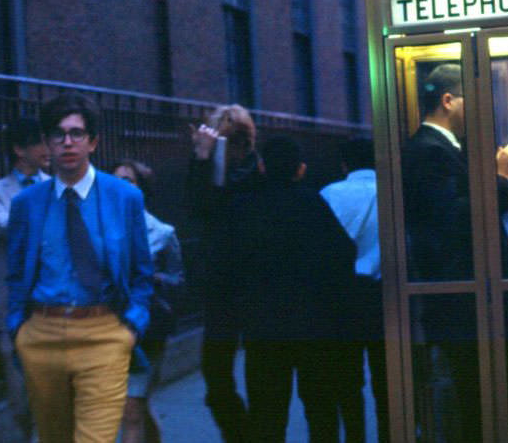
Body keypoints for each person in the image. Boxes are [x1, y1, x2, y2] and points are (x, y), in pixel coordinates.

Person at [402, 63, 508, 442]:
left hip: (480, 309)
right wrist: (502, 178)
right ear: (449, 99)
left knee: (503, 412)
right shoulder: (426, 151)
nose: (482, 112)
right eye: (476, 101)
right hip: (469, 310)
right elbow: (456, 221)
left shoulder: (448, 149)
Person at [7, 93, 154, 443]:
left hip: (104, 333)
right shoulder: (26, 204)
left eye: (77, 133)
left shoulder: (124, 197)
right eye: (58, 134)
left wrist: (131, 325)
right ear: (47, 143)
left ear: (93, 142)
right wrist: (18, 329)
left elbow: (141, 272)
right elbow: (15, 273)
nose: (68, 142)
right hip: (42, 333)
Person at [231, 135, 357, 443]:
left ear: (262, 166)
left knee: (267, 415)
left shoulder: (246, 208)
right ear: (300, 169)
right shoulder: (312, 203)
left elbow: (230, 264)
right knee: (321, 409)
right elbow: (344, 255)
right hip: (313, 326)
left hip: (263, 327)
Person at [186, 104, 260, 442]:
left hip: (256, 287)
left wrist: (208, 166)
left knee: (263, 384)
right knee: (216, 383)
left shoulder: (254, 174)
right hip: (220, 290)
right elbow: (194, 210)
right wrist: (202, 161)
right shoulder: (210, 173)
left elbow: (223, 212)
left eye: (222, 141)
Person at [0, 117, 50, 442]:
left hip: (57, 305)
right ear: (19, 149)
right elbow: (0, 227)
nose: (48, 148)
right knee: (20, 395)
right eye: (39, 142)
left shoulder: (60, 186)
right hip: (13, 311)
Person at [320, 137, 389, 443]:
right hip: (384, 294)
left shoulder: (329, 194)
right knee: (387, 377)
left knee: (347, 381)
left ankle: (355, 436)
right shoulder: (390, 193)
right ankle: (391, 433)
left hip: (341, 296)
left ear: (344, 164)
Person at [113, 159, 185, 443]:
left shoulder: (162, 232)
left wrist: (154, 278)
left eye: (127, 180)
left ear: (141, 189)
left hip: (148, 327)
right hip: (107, 325)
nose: (119, 185)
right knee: (134, 408)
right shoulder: (98, 226)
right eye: (115, 179)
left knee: (132, 409)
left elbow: (178, 279)